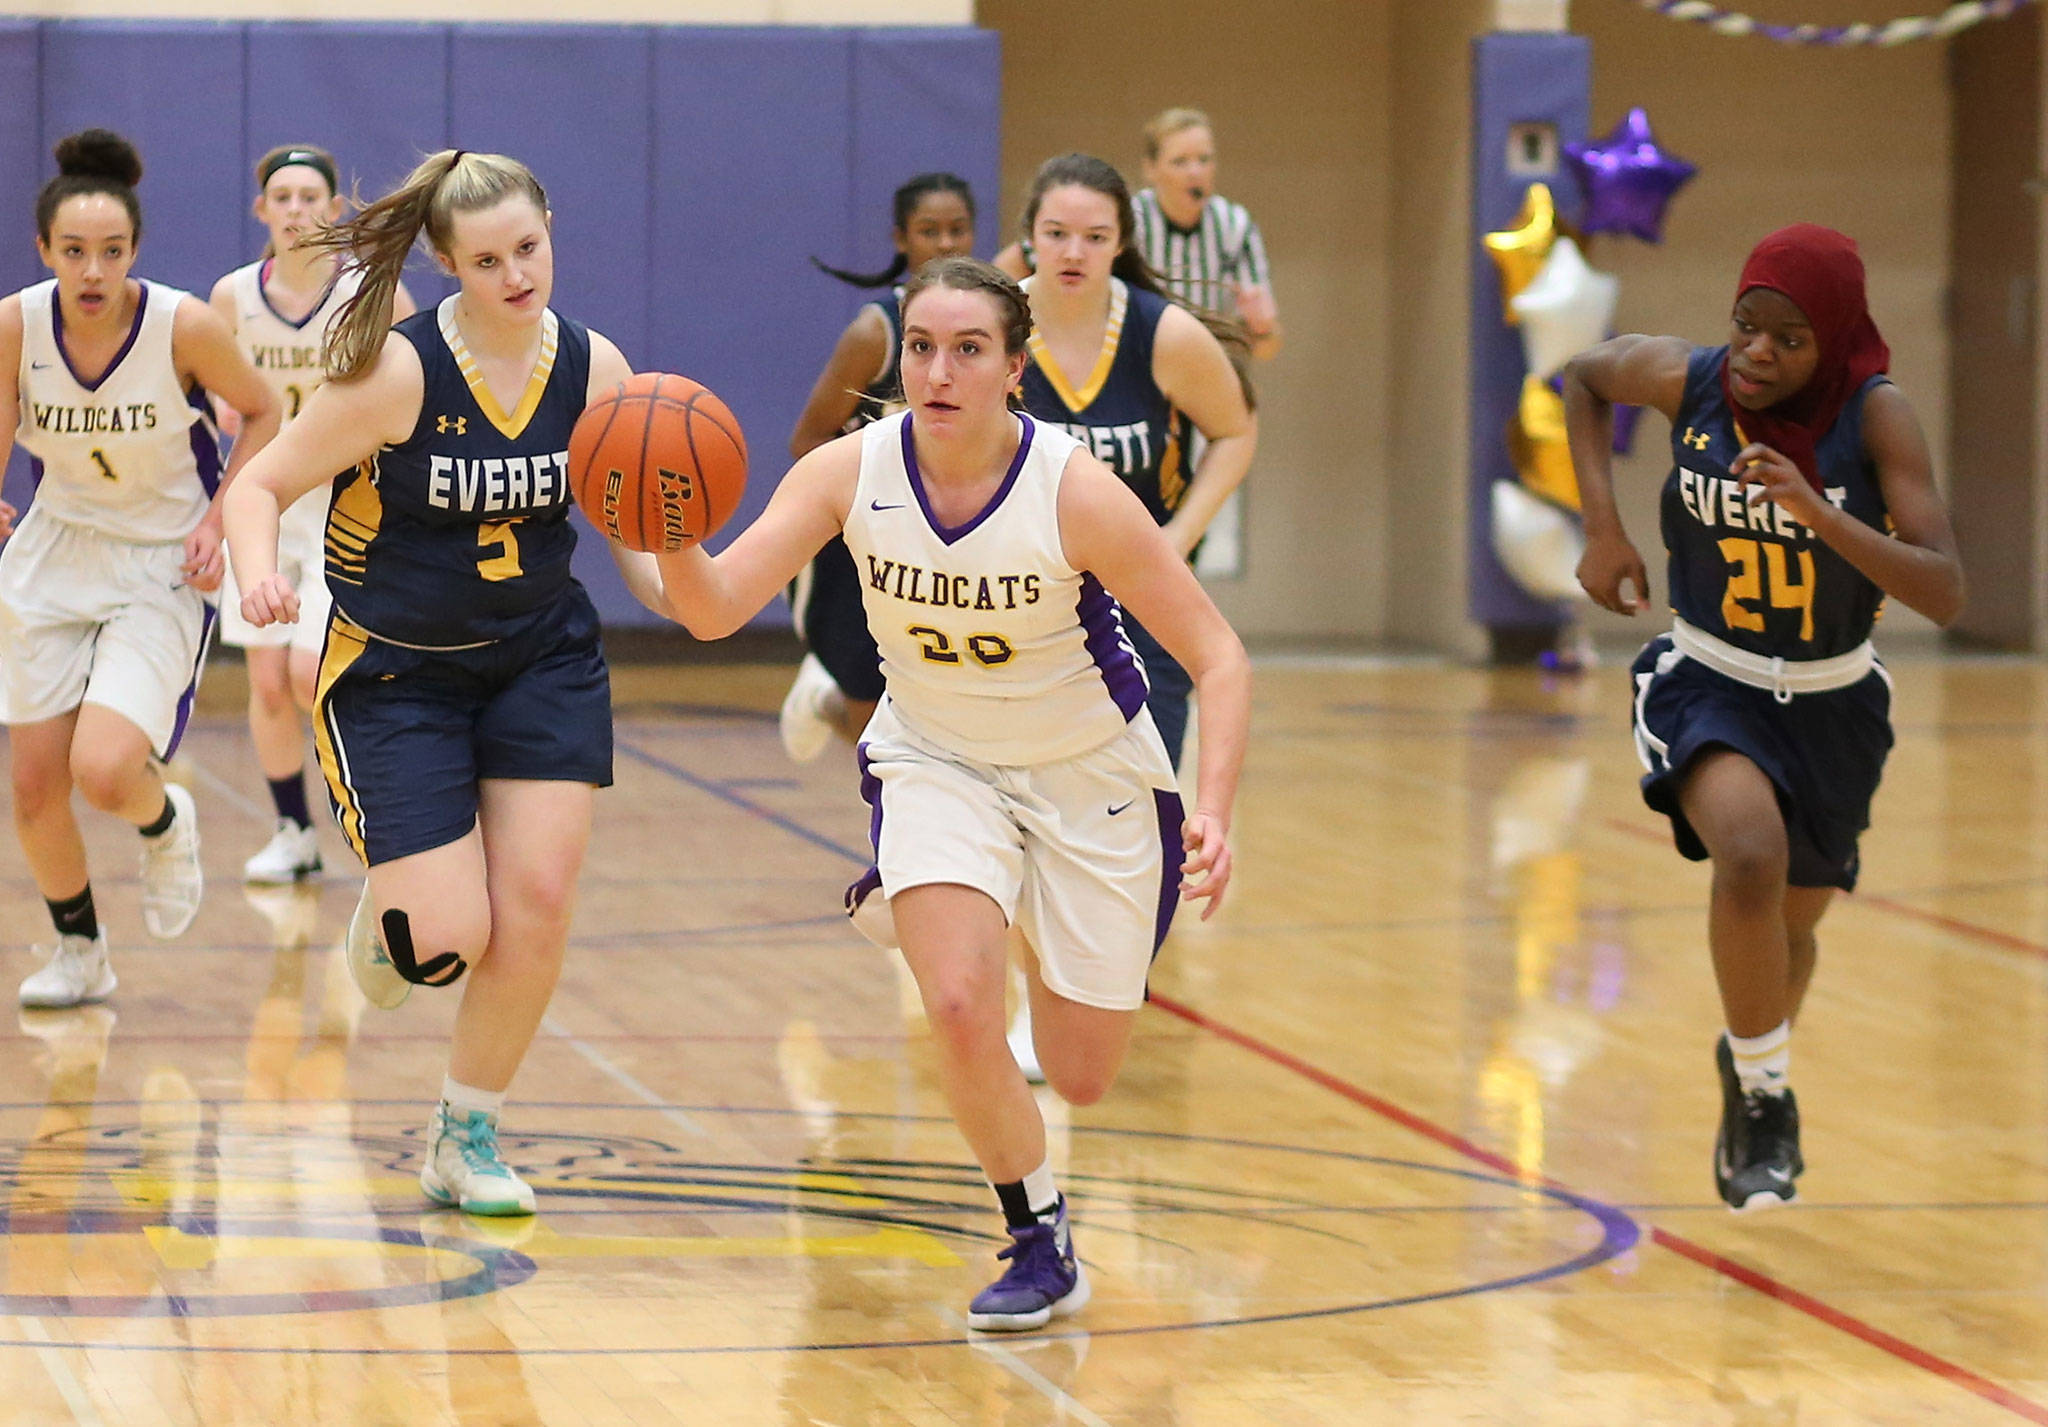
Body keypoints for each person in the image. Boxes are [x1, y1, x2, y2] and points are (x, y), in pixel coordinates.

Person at [642, 257, 1249, 1331]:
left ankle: (1006, 901)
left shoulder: (1074, 491)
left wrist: (1213, 805)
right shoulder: (849, 470)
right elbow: (716, 606)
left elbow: (1217, 655)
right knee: (960, 1004)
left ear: (1016, 369)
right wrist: (666, 531)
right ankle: (1037, 1230)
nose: (939, 368)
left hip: (1087, 777)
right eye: (920, 346)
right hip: (936, 757)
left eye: (968, 349)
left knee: (1081, 1070)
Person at [223, 149, 656, 1218]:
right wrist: (258, 570)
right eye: (487, 259)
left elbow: (637, 542)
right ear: (447, 263)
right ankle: (395, 908)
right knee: (446, 940)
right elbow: (263, 481)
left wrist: (694, 570)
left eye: (528, 248)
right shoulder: (399, 372)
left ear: (550, 226)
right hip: (396, 671)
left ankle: (465, 1133)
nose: (516, 274)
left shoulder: (596, 369)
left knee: (540, 905)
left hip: (539, 655)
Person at [1563, 223, 1964, 1211]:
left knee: (1790, 931)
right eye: (1746, 325)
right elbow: (1576, 379)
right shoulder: (1683, 378)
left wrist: (1822, 514)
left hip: (1832, 701)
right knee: (1748, 853)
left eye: (1786, 338)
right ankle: (1765, 1097)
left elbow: (1946, 590)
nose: (1756, 351)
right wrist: (1601, 526)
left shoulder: (1875, 420)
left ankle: (1745, 1053)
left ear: (1830, 341)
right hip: (1709, 675)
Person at [0, 129, 282, 1009]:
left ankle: (164, 821)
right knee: (36, 782)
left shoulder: (183, 324)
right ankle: (81, 950)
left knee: (105, 767)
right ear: (45, 249)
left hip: (163, 559)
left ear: (135, 252)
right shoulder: (16, 323)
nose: (92, 271)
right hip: (56, 549)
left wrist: (220, 519)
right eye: (75, 252)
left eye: (111, 252)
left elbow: (265, 413)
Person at [211, 143, 417, 885]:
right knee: (266, 680)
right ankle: (293, 830)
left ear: (334, 210)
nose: (296, 210)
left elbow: (421, 381)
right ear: (261, 210)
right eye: (282, 198)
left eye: (310, 198)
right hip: (262, 505)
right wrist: (223, 408)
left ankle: (370, 816)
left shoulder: (373, 291)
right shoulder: (231, 297)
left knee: (310, 673)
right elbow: (209, 390)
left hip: (343, 505)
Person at [779, 172, 976, 762]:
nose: (945, 243)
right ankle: (821, 700)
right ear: (901, 239)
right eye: (928, 230)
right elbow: (807, 440)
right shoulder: (878, 332)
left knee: (929, 744)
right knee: (880, 740)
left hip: (942, 548)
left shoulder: (988, 328)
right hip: (851, 552)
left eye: (958, 229)